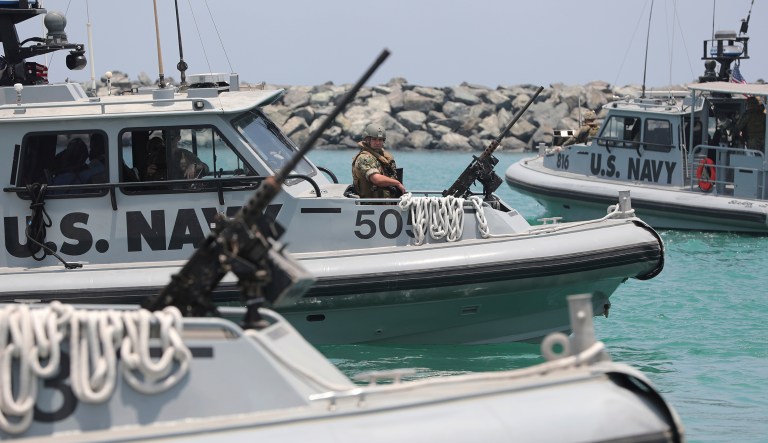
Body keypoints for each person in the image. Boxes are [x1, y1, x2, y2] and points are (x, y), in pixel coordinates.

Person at [352, 123, 405, 198]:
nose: (378, 142)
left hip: (385, 204)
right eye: (374, 139)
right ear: (367, 140)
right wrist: (397, 183)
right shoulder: (364, 158)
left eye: (380, 140)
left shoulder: (383, 157)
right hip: (370, 204)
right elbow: (376, 179)